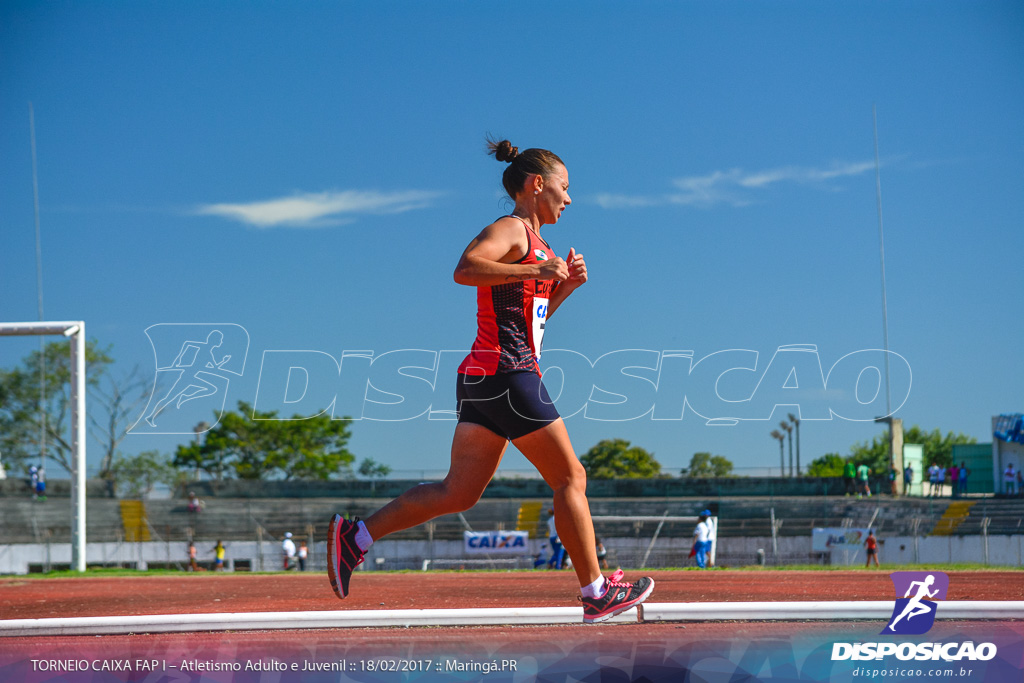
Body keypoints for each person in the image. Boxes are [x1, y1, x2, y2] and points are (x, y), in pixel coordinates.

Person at [325, 139, 653, 624]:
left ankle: (356, 538)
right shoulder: (512, 230)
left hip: (490, 374)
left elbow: (530, 323)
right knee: (570, 478)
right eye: (565, 188)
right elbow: (465, 269)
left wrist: (562, 287)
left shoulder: (537, 246)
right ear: (536, 185)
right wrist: (539, 269)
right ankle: (596, 591)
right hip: (506, 373)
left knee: (459, 492)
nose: (569, 199)